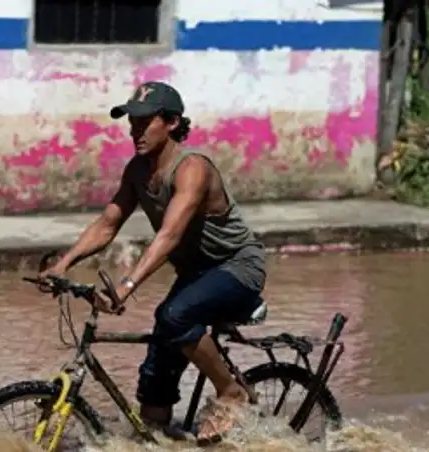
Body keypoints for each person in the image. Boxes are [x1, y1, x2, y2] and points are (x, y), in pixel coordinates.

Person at [40, 81, 266, 444]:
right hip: (196, 273)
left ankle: (231, 391)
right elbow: (108, 223)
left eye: (145, 122)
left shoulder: (192, 168)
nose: (136, 131)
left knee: (175, 315)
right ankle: (158, 434)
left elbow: (169, 236)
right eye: (132, 122)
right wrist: (62, 265)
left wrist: (126, 286)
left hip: (237, 267)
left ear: (173, 122)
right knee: (158, 362)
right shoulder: (137, 171)